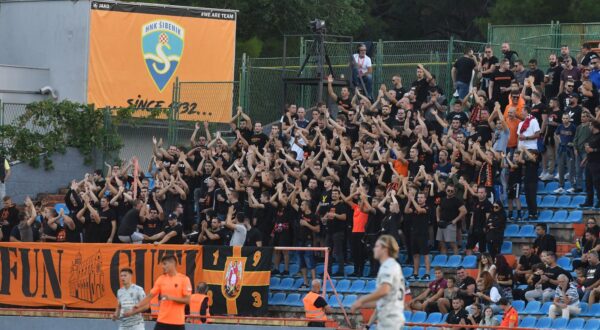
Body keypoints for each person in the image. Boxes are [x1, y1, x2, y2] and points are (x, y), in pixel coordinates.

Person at [351, 235, 405, 330]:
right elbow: (386, 299)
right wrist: (363, 305)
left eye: (377, 246)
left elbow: (384, 290)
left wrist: (362, 300)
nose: (374, 249)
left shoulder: (387, 266)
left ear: (385, 249)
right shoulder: (393, 265)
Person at [124, 255, 192, 330]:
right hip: (162, 321)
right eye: (162, 264)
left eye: (165, 264)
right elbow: (150, 295)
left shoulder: (184, 279)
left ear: (172, 263)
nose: (163, 266)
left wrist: (171, 298)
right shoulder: (161, 279)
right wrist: (138, 305)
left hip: (178, 322)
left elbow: (187, 300)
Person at [436, 184, 467, 255]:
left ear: (454, 192)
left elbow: (464, 211)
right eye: (448, 190)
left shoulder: (457, 200)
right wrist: (437, 218)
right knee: (441, 243)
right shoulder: (443, 199)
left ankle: (456, 260)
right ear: (446, 190)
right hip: (441, 223)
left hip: (450, 224)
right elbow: (438, 208)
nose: (449, 192)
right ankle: (443, 260)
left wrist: (456, 220)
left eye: (451, 191)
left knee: (452, 244)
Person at [553, 113, 577, 193]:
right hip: (561, 149)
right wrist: (559, 141)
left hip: (569, 150)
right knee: (560, 169)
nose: (565, 120)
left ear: (569, 119)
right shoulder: (560, 126)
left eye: (566, 118)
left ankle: (573, 186)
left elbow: (576, 137)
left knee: (571, 169)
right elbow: (556, 134)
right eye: (563, 118)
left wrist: (573, 144)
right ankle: (561, 187)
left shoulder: (573, 127)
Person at [581, 121, 600, 208]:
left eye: (590, 125)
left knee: (597, 182)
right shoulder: (591, 136)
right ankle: (589, 201)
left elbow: (594, 149)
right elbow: (589, 149)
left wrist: (593, 150)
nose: (589, 127)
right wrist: (585, 159)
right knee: (588, 182)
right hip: (589, 161)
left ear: (594, 126)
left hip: (597, 162)